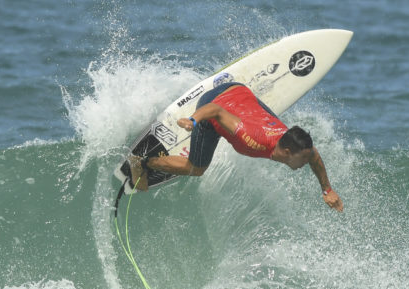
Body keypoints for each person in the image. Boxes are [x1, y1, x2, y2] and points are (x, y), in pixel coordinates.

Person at [128, 82, 344, 212]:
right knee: (195, 168)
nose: (307, 162)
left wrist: (327, 189)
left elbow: (314, 155)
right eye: (303, 159)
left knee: (262, 118)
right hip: (214, 104)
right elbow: (214, 110)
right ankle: (142, 160)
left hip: (241, 92)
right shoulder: (252, 138)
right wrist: (192, 121)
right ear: (287, 153)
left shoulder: (290, 142)